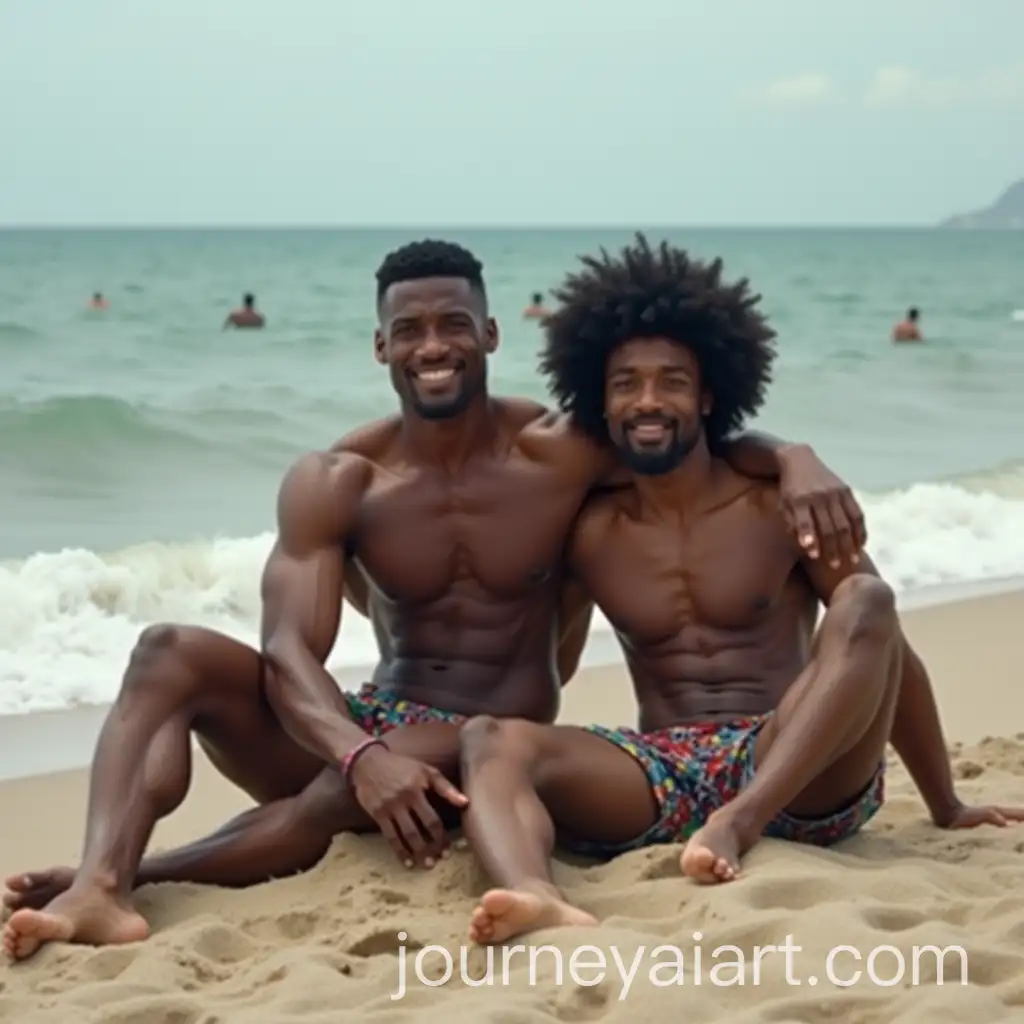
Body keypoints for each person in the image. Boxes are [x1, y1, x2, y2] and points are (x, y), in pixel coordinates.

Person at [3, 239, 864, 961]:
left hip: (483, 737)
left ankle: (148, 875)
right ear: (380, 346)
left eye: (454, 325)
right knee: (167, 652)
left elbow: (681, 441)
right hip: (363, 725)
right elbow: (286, 655)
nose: (433, 345)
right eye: (408, 329)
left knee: (354, 790)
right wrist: (357, 753)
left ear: (490, 333)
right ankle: (101, 884)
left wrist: (797, 458)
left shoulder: (561, 454)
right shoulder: (340, 480)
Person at [457, 234, 1024, 946]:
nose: (648, 400)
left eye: (673, 380)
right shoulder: (589, 533)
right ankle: (534, 892)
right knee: (489, 739)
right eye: (626, 383)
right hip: (665, 770)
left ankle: (740, 823)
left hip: (796, 762)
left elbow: (881, 648)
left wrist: (946, 802)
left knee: (865, 597)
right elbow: (544, 663)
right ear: (598, 404)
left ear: (711, 395)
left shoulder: (779, 506)